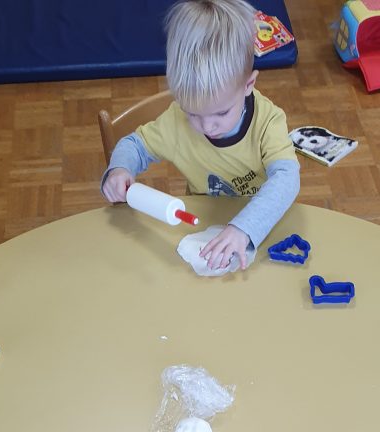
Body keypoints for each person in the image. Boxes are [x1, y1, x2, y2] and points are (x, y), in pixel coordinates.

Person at [101, 0, 300, 271]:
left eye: (221, 113)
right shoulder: (176, 122)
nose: (208, 126)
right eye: (193, 113)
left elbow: (287, 179)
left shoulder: (268, 122)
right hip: (200, 227)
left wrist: (243, 228)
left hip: (258, 226)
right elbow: (134, 145)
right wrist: (120, 168)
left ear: (248, 84)